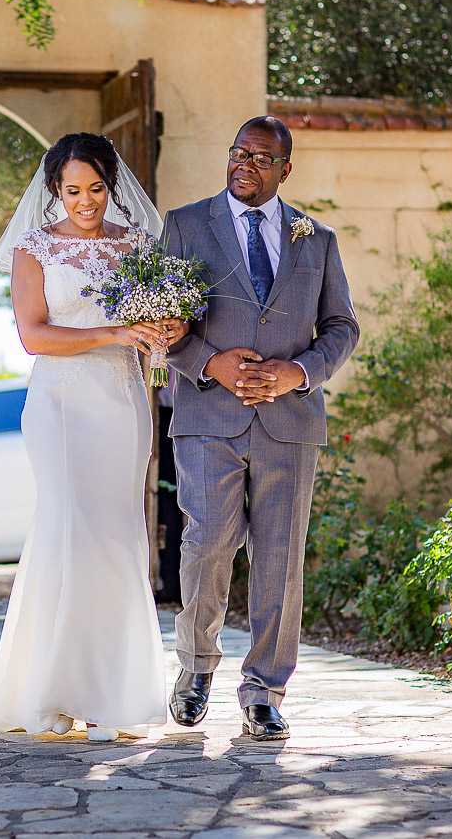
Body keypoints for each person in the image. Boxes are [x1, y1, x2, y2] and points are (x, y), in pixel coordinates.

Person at [0, 133, 187, 741]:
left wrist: (166, 323)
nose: (86, 201)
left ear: (113, 186)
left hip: (122, 402)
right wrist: (114, 331)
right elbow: (34, 336)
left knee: (115, 535)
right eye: (73, 190)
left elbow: (164, 319)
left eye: (97, 189)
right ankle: (47, 690)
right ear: (54, 190)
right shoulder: (33, 249)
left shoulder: (137, 244)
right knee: (68, 527)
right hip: (58, 404)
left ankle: (109, 690)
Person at [161, 115, 359, 740]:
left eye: (261, 157)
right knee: (209, 542)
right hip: (206, 418)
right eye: (237, 152)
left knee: (279, 557)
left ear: (285, 170)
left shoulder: (317, 239)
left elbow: (342, 328)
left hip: (289, 423)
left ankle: (264, 689)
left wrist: (296, 373)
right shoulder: (187, 225)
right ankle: (195, 668)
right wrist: (209, 362)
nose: (245, 164)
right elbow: (163, 323)